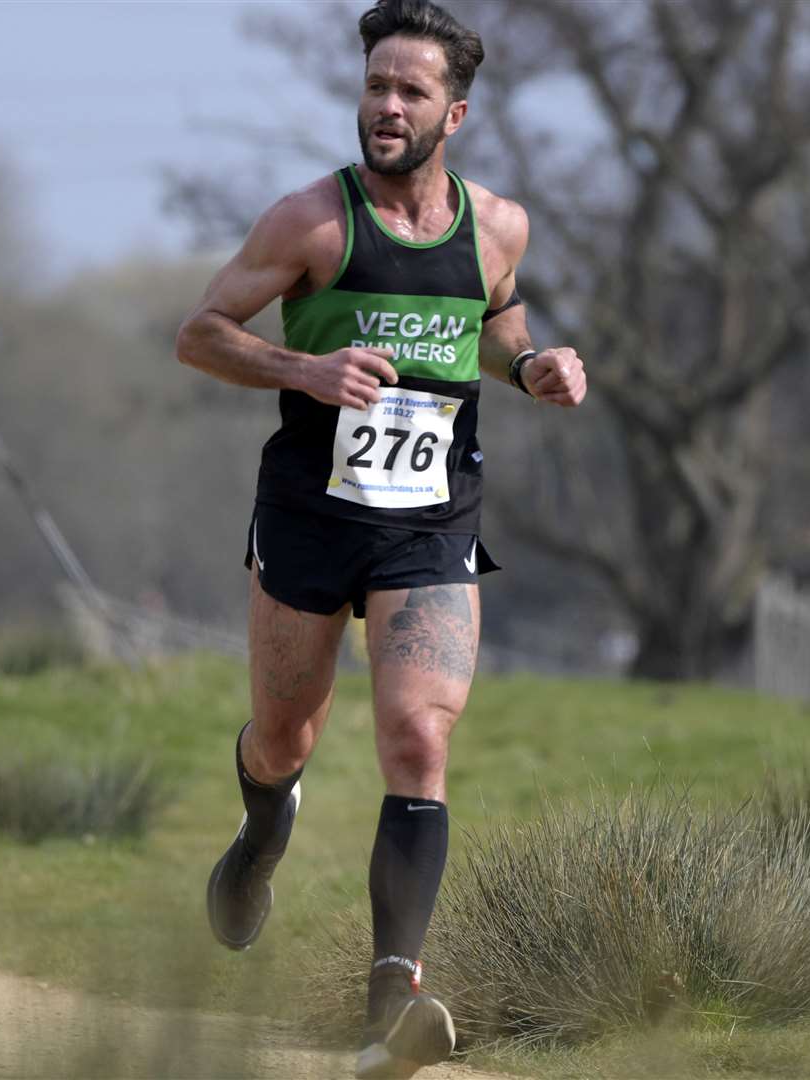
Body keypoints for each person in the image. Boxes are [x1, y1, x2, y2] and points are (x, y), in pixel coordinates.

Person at [175, 1, 586, 1075]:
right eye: (373, 87)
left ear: (454, 112)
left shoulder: (496, 224)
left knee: (418, 739)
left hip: (432, 520)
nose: (385, 107)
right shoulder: (308, 220)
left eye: (408, 92)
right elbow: (200, 333)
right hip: (310, 515)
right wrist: (304, 368)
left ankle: (388, 1005)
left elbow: (495, 317)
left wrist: (533, 364)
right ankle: (262, 830)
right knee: (284, 738)